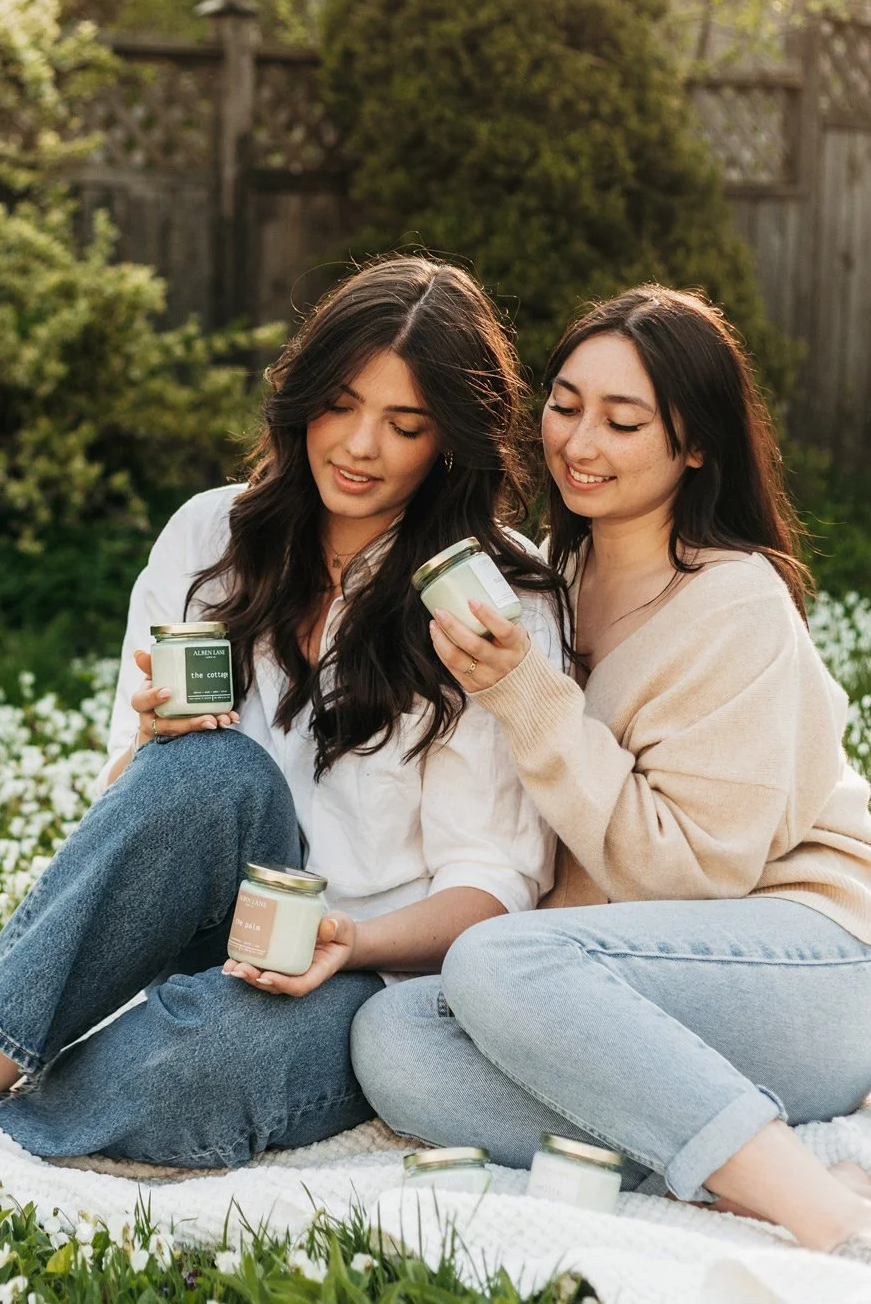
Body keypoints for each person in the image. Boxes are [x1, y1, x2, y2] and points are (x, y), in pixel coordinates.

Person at [0, 255, 566, 1169]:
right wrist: (149, 747)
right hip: (201, 920)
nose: (359, 446)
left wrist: (348, 944)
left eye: (405, 423)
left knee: (198, 1070)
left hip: (365, 969)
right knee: (208, 768)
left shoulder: (494, 603)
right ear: (302, 396)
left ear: (451, 443)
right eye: (341, 404)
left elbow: (496, 882)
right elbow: (125, 824)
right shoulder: (208, 538)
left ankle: (2, 1137)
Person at [350, 285, 871, 1259]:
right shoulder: (548, 577)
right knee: (395, 1035)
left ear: (696, 445)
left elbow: (693, 874)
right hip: (633, 986)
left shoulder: (736, 604)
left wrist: (528, 693)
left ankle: (822, 1209)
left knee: (499, 957)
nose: (579, 440)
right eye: (566, 402)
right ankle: (729, 1151)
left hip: (806, 961)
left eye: (623, 420)